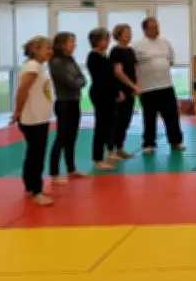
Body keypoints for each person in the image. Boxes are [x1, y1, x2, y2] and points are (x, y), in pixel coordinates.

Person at [134, 17, 186, 153]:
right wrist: (136, 85)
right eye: (153, 27)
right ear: (145, 29)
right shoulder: (138, 45)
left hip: (166, 85)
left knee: (172, 115)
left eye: (157, 27)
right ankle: (149, 144)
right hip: (147, 87)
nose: (157, 30)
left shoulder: (165, 42)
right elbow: (134, 66)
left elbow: (171, 60)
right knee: (149, 117)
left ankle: (176, 142)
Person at [13, 36, 54, 206]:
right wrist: (17, 112)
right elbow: (22, 90)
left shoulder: (39, 67)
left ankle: (30, 185)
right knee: (36, 155)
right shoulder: (32, 67)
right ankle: (37, 190)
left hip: (39, 118)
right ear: (35, 50)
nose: (50, 51)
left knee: (33, 153)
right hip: (33, 119)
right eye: (47, 48)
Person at [48, 31, 87, 185]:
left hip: (74, 101)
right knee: (61, 138)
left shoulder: (70, 60)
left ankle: (71, 169)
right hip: (63, 103)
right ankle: (54, 173)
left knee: (72, 137)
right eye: (71, 42)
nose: (74, 45)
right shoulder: (56, 62)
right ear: (62, 44)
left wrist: (78, 81)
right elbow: (73, 82)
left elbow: (82, 78)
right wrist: (78, 81)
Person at [86, 28, 123, 170]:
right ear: (97, 41)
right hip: (100, 93)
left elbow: (112, 76)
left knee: (111, 122)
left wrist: (117, 91)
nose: (107, 42)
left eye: (108, 39)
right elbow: (102, 79)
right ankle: (98, 159)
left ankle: (111, 151)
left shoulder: (104, 55)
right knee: (101, 126)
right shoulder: (93, 57)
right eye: (105, 39)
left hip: (109, 92)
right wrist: (115, 92)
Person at [109, 23, 140, 159]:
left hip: (131, 89)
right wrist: (132, 86)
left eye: (130, 33)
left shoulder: (130, 50)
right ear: (119, 35)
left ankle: (120, 147)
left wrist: (137, 84)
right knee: (118, 120)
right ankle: (113, 148)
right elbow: (118, 72)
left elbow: (135, 68)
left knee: (126, 119)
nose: (129, 35)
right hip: (120, 91)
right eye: (127, 33)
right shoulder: (115, 52)